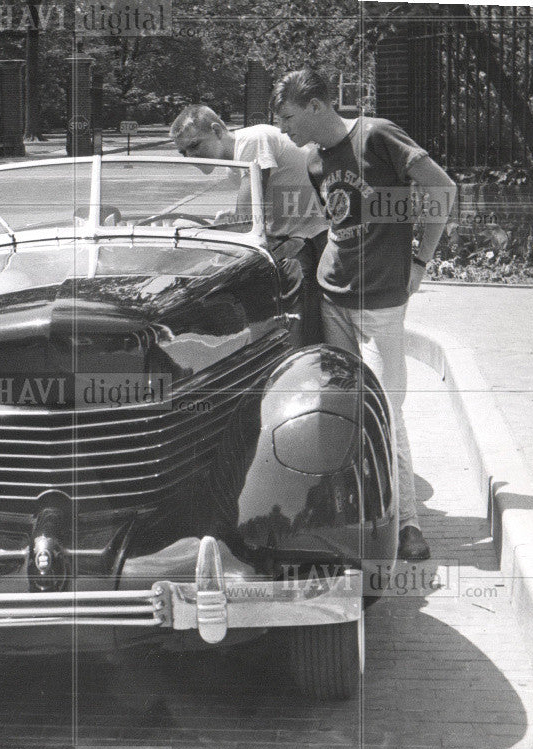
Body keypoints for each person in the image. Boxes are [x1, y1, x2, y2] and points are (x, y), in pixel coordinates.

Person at [271, 68, 457, 561]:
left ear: (315, 106)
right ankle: (355, 512)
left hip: (380, 304)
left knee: (387, 409)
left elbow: (443, 190)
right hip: (334, 296)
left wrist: (420, 261)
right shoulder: (313, 162)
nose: (285, 129)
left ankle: (407, 523)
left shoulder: (376, 136)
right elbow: (339, 222)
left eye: (289, 116)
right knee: (344, 406)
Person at [170, 106, 328, 343]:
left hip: (308, 242)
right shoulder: (233, 167)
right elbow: (259, 214)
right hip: (289, 240)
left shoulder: (253, 140)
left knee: (300, 336)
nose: (190, 157)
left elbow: (245, 220)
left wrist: (201, 232)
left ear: (216, 130)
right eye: (183, 152)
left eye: (194, 146)